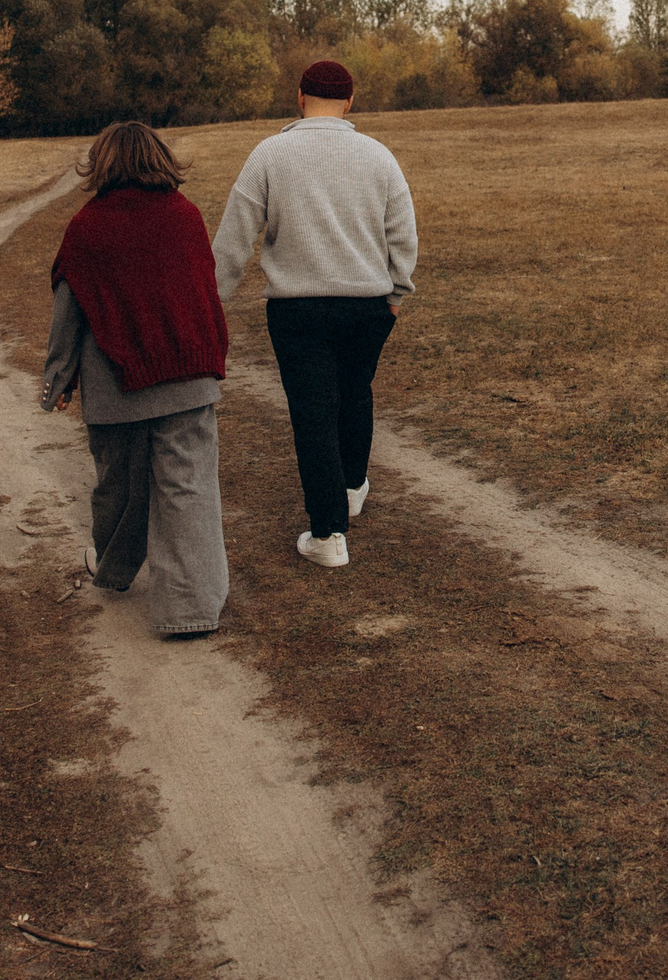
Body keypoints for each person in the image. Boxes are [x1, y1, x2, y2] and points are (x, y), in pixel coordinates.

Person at [213, 59, 417, 570]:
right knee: (355, 392)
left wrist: (212, 298)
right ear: (350, 101)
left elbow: (235, 236)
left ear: (300, 97)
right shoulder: (378, 156)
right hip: (368, 304)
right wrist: (397, 291)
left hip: (297, 309)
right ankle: (350, 488)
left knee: (314, 412)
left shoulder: (269, 153)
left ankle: (328, 532)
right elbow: (402, 230)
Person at [45, 121, 230, 636]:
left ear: (101, 164)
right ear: (159, 158)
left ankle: (113, 568)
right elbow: (205, 292)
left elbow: (68, 311)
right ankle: (191, 608)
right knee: (189, 490)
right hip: (187, 374)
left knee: (119, 489)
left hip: (115, 387)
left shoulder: (86, 227)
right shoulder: (185, 215)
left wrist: (59, 379)